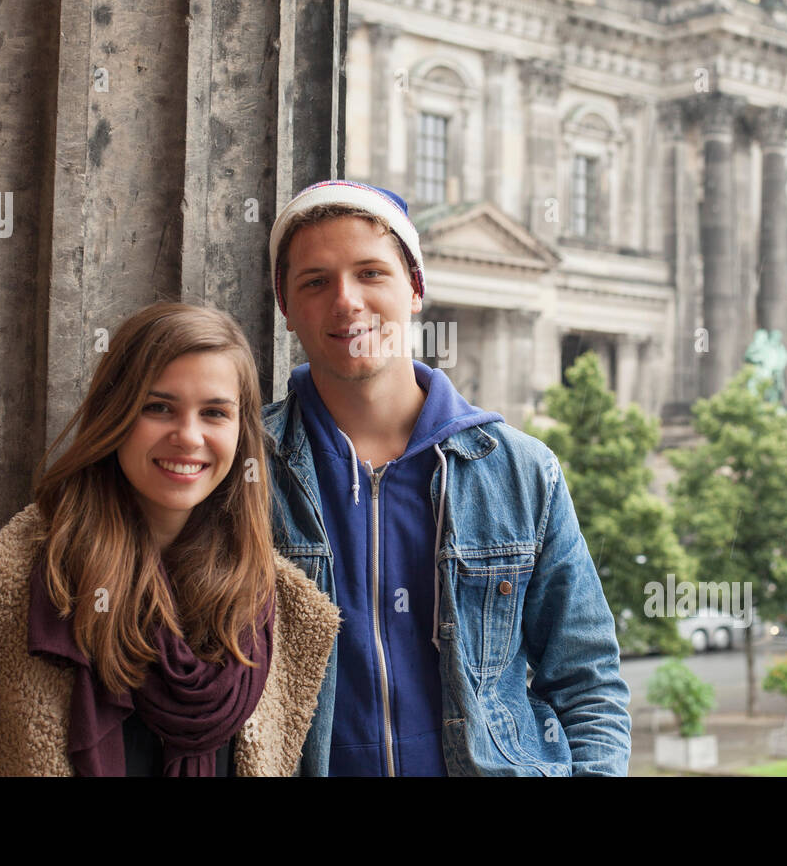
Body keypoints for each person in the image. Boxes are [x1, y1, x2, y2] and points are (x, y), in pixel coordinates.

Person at [265, 180, 632, 776]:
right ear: (284, 307)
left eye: (370, 273)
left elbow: (587, 681)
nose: (346, 301)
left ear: (414, 289)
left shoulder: (519, 469)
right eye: (315, 281)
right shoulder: (243, 468)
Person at [0, 302, 339, 776]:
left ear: (240, 435)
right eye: (158, 407)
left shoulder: (283, 612)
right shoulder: (10, 592)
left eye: (214, 412)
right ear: (114, 416)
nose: (188, 436)